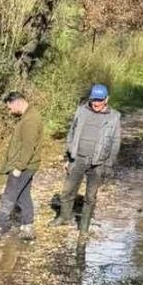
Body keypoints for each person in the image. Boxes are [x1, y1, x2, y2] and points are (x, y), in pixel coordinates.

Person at [52, 83, 121, 234]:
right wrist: (68, 156)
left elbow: (115, 143)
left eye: (99, 100)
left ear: (106, 99)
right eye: (94, 99)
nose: (96, 103)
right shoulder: (81, 111)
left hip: (98, 163)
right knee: (67, 191)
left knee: (90, 196)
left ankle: (84, 227)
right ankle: (64, 217)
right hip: (78, 158)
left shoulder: (114, 117)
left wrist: (109, 165)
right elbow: (72, 132)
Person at [0, 91, 43, 242]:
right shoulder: (28, 116)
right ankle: (27, 227)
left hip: (24, 166)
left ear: (17, 102)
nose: (10, 111)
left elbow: (28, 147)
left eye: (9, 108)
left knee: (9, 194)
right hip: (28, 164)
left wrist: (18, 168)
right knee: (22, 195)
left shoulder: (30, 120)